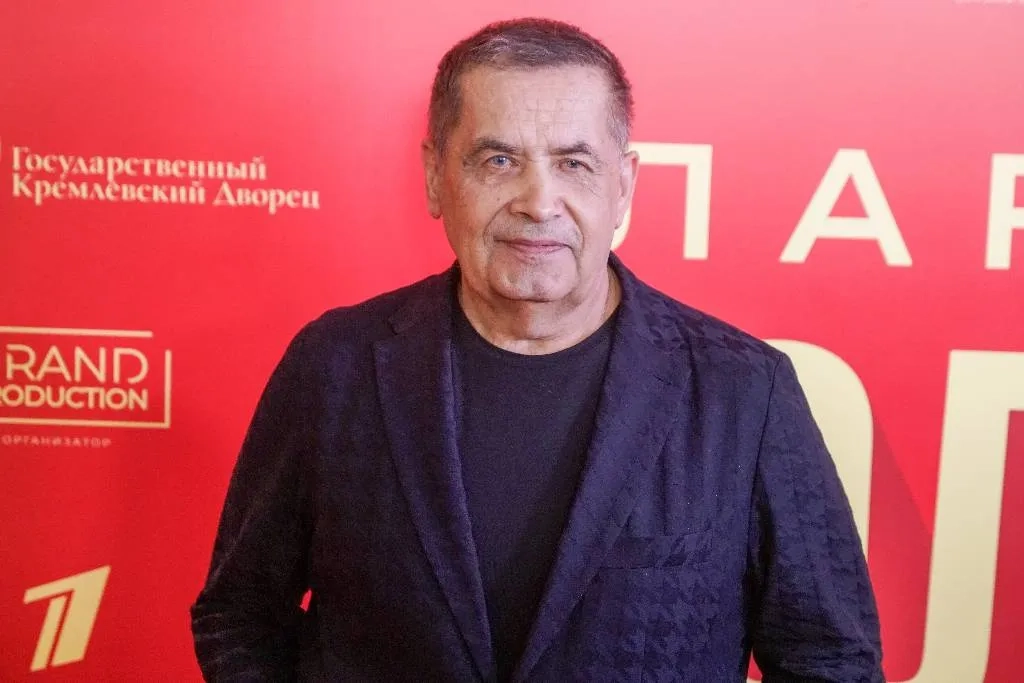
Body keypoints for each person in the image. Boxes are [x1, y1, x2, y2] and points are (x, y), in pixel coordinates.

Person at [190, 17, 884, 682]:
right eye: (499, 161)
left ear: (623, 185)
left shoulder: (744, 391)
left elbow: (833, 660)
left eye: (574, 163)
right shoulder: (333, 367)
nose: (539, 201)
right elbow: (241, 613)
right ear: (436, 177)